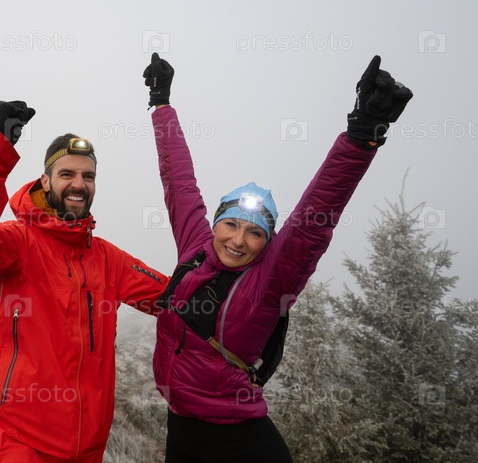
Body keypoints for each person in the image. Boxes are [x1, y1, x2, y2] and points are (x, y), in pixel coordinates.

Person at [142, 53, 412, 463]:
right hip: (179, 427)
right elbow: (178, 177)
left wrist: (361, 137)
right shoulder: (196, 246)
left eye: (255, 233)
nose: (238, 240)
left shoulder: (270, 280)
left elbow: (317, 213)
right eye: (231, 225)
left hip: (236, 440)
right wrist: (161, 104)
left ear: (267, 243)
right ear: (215, 224)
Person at [0, 100, 168, 463]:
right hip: (14, 443)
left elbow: (175, 299)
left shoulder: (108, 259)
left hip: (86, 450)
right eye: (67, 174)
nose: (79, 184)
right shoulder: (16, 242)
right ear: (45, 181)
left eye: (88, 176)